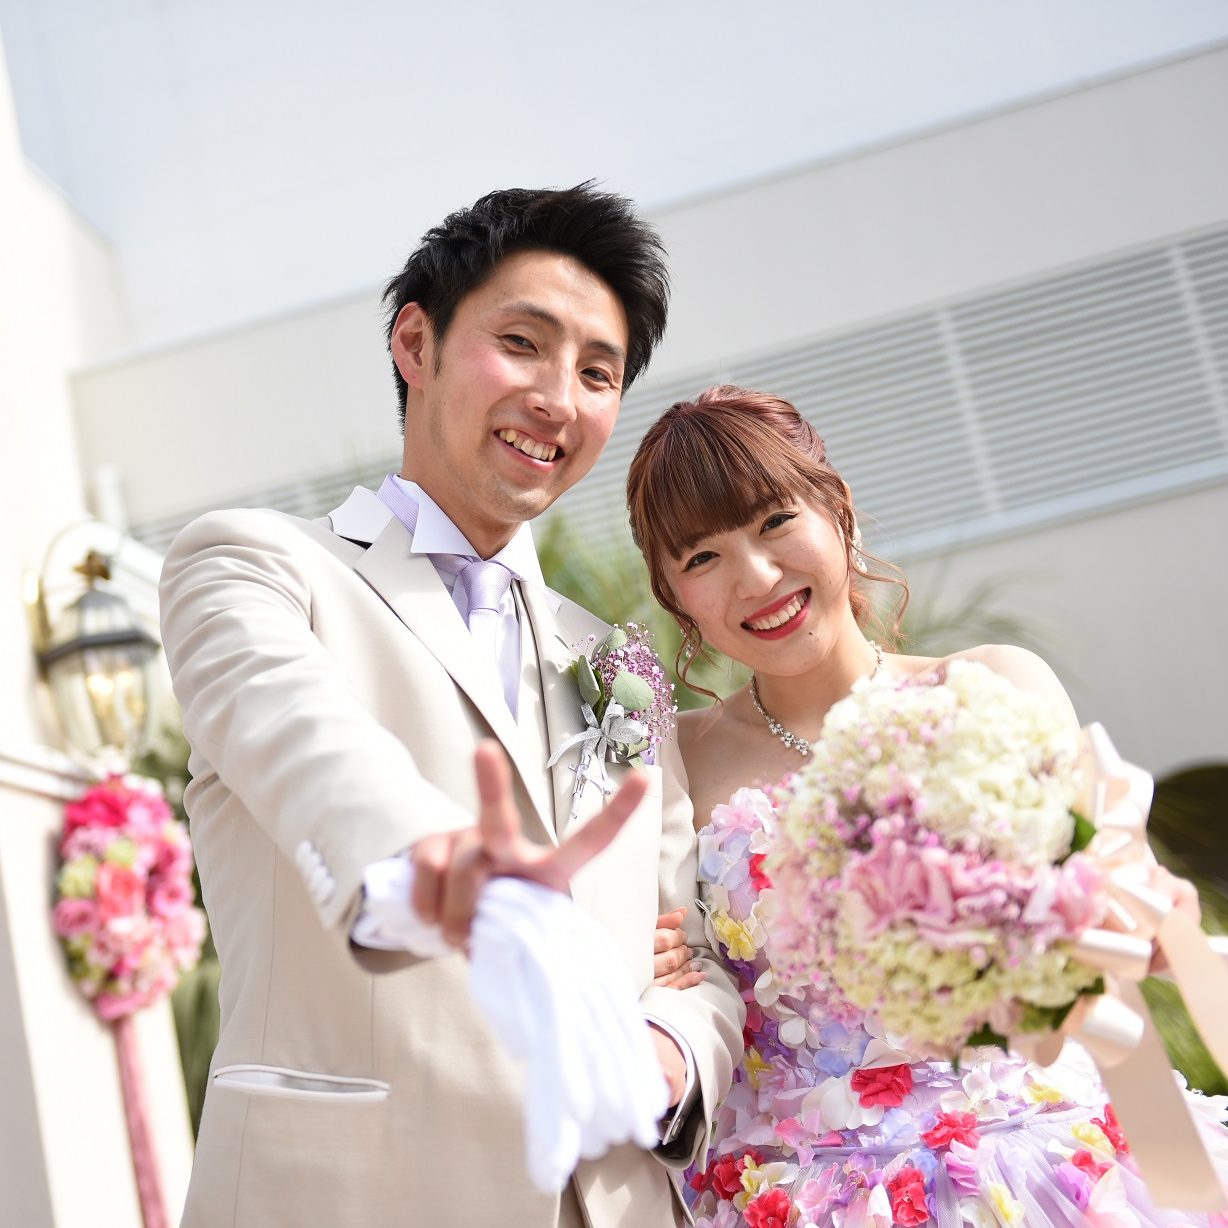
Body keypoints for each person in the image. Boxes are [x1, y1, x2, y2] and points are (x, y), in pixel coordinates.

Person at [159, 186, 743, 1228]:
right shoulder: (253, 565)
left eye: (597, 373)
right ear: (415, 344)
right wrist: (435, 860)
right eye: (522, 344)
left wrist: (670, 1054)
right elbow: (302, 743)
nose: (558, 399)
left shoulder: (618, 664)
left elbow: (687, 945)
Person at [627, 385, 1228, 1227]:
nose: (756, 578)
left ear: (838, 511)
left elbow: (1114, 904)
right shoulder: (675, 758)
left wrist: (1135, 922)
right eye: (702, 558)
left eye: (775, 521)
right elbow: (668, 961)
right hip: (800, 1192)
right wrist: (638, 955)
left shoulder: (992, 683)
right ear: (673, 594)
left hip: (1038, 1163)